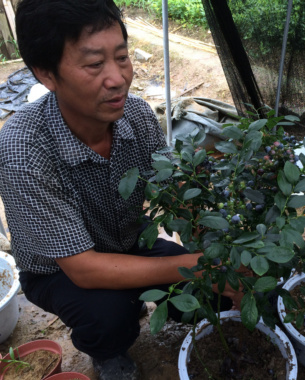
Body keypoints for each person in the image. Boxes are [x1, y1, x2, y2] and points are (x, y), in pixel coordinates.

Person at [0, 1, 241, 379]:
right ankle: (107, 351)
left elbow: (176, 188)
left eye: (122, 57)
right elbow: (83, 269)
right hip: (59, 270)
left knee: (210, 297)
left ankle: (145, 301)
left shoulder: (137, 114)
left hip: (126, 240)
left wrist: (216, 250)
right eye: (94, 65)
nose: (117, 78)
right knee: (112, 316)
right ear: (46, 74)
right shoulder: (22, 150)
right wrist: (198, 266)